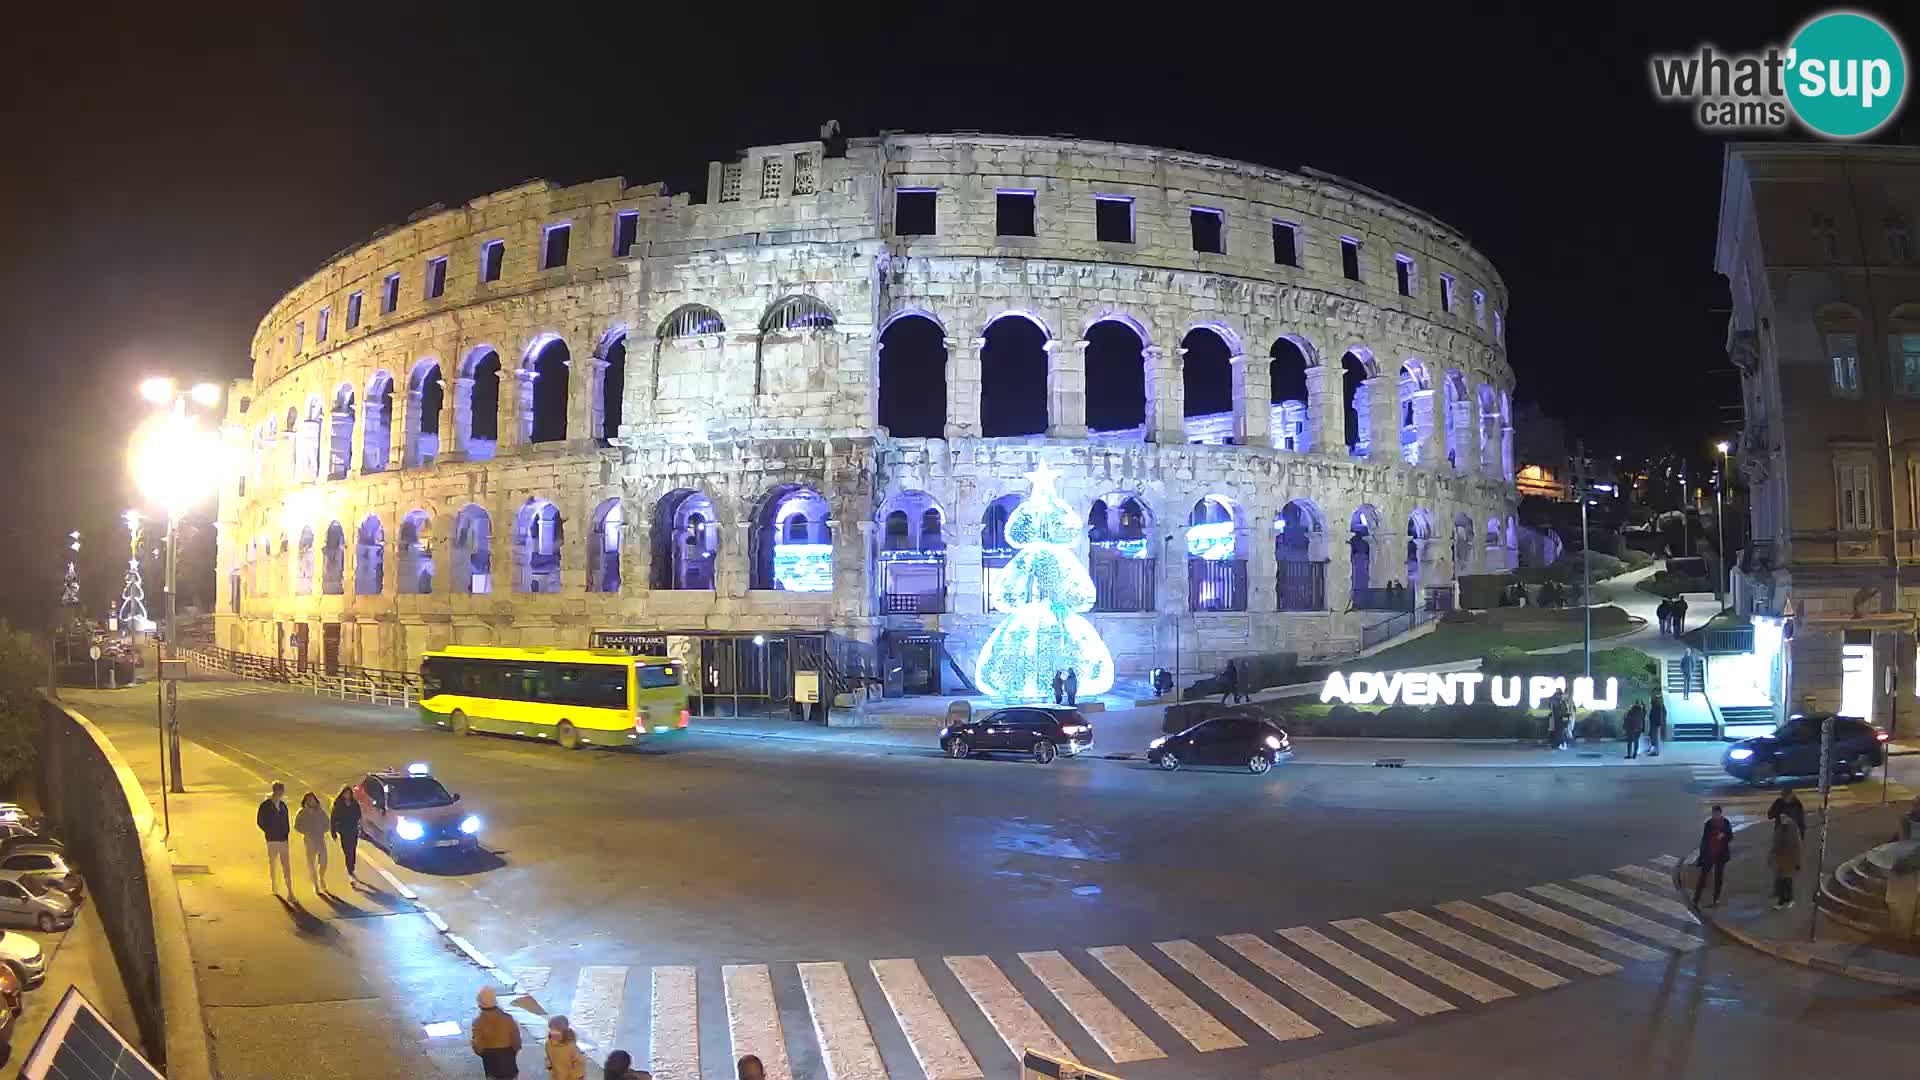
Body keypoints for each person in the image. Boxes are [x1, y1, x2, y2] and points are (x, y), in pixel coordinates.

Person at [472, 987, 522, 1078]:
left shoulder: (478, 1022)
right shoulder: (508, 1019)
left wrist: (483, 1053)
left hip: (491, 1061)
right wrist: (513, 1051)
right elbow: (516, 1041)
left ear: (479, 1003)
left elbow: (477, 1045)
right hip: (508, 1059)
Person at [1692, 804, 1734, 907]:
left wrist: (1724, 836)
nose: (1715, 816)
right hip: (1709, 854)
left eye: (1716, 814)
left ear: (1720, 813)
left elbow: (1730, 836)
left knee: (1718, 878)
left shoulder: (1725, 823)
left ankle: (1716, 898)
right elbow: (1704, 840)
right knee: (1703, 877)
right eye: (1713, 814)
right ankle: (1696, 899)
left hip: (1721, 854)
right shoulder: (1709, 824)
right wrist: (1702, 856)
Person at [256, 781, 291, 897]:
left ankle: (289, 889)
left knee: (286, 865)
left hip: (283, 840)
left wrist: (286, 834)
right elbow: (260, 821)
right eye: (279, 790)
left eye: (282, 790)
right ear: (275, 791)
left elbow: (286, 821)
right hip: (271, 840)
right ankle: (274, 886)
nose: (281, 793)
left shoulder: (283, 805)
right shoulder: (265, 805)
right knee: (274, 863)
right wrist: (269, 830)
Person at [293, 791, 332, 896]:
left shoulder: (320, 811)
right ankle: (315, 884)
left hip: (320, 839)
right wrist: (306, 832)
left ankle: (321, 878)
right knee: (311, 863)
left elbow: (327, 823)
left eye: (313, 799)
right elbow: (296, 826)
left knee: (323, 861)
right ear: (305, 801)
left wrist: (323, 830)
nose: (311, 801)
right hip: (309, 841)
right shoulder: (302, 812)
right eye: (309, 799)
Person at [1770, 812, 1803, 910]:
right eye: (1781, 817)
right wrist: (1773, 856)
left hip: (1790, 860)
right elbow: (1775, 843)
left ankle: (1790, 899)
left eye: (1784, 817)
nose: (1782, 819)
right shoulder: (1779, 828)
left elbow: (1798, 846)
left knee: (1787, 881)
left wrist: (1798, 862)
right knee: (1781, 881)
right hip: (1780, 859)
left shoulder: (1793, 828)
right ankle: (1782, 901)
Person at [331, 786, 362, 885]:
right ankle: (349, 868)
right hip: (344, 831)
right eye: (346, 793)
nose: (347, 795)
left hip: (353, 830)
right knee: (346, 850)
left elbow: (359, 815)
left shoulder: (354, 804)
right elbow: (333, 818)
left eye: (349, 793)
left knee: (352, 849)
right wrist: (333, 832)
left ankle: (351, 866)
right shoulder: (338, 804)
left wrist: (359, 826)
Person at [545, 1016, 588, 1080]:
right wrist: (549, 1066)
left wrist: (577, 1077)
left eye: (556, 1030)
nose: (552, 1032)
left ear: (563, 1031)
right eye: (551, 1029)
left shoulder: (571, 1046)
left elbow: (579, 1063)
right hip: (556, 1076)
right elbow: (547, 1056)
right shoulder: (548, 1044)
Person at [1647, 689, 1666, 757]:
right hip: (1655, 723)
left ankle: (1656, 751)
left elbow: (1656, 716)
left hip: (1655, 724)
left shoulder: (1656, 707)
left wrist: (1658, 723)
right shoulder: (1658, 706)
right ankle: (1656, 751)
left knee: (1655, 738)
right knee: (1655, 738)